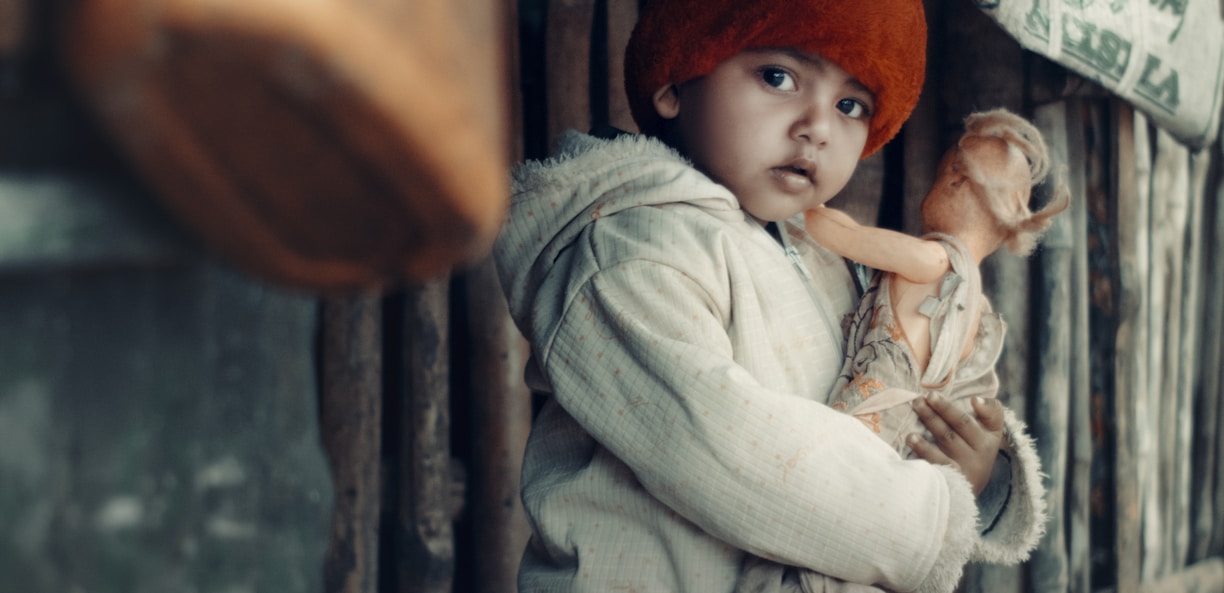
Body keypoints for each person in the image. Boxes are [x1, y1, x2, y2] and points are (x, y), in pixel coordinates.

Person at [493, 1, 1045, 591]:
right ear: (677, 79)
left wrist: (969, 471)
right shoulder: (631, 250)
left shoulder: (824, 257)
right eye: (778, 77)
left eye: (850, 105)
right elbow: (724, 452)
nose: (818, 126)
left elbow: (875, 403)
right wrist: (936, 512)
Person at [737, 109, 1064, 593]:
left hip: (864, 417)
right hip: (900, 447)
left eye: (942, 174)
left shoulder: (932, 260)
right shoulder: (977, 307)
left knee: (811, 525)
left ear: (955, 182)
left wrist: (806, 196)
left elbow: (841, 236)